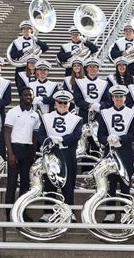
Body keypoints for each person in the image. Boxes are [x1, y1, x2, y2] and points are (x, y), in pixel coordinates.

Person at [37, 90, 83, 223]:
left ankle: (69, 211)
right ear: (55, 103)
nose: (62, 104)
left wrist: (62, 139)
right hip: (51, 154)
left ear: (69, 104)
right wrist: (50, 140)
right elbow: (40, 135)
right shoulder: (46, 117)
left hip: (67, 154)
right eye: (60, 102)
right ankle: (47, 212)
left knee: (68, 185)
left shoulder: (76, 119)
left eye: (65, 102)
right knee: (50, 183)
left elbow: (76, 135)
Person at [98, 85, 134, 223]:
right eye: (116, 96)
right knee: (110, 184)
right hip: (109, 152)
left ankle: (125, 212)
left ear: (125, 98)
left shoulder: (132, 113)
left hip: (126, 151)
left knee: (125, 184)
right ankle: (109, 213)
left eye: (121, 96)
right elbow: (100, 135)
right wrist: (107, 139)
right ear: (112, 98)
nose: (118, 99)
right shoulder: (104, 113)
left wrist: (121, 138)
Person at [4, 87, 40, 221]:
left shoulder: (35, 115)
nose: (28, 97)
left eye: (30, 95)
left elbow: (35, 135)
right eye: (26, 95)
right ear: (20, 96)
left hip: (28, 150)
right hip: (15, 149)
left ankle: (22, 213)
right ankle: (8, 215)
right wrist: (10, 153)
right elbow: (7, 132)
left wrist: (34, 153)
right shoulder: (13, 112)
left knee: (25, 185)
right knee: (12, 184)